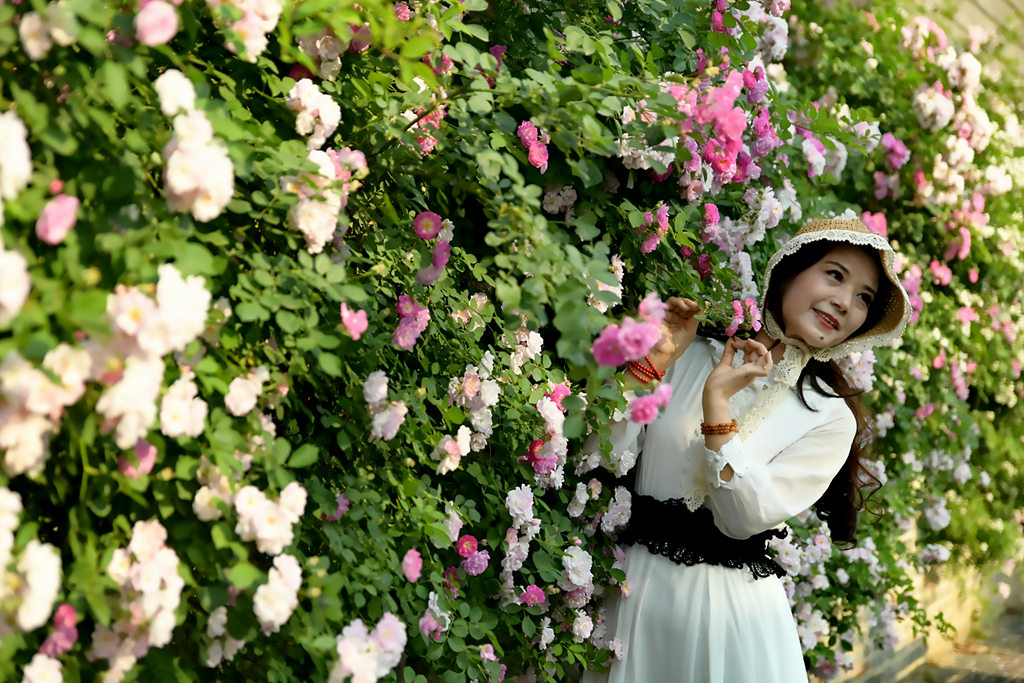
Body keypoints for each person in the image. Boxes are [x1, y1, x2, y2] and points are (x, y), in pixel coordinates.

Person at [584, 218, 912, 683]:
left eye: (863, 298)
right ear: (788, 270)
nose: (845, 302)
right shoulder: (693, 352)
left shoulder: (831, 417)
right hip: (635, 599)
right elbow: (604, 455)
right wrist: (651, 365)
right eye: (835, 275)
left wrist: (716, 409)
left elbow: (741, 518)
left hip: (728, 625)